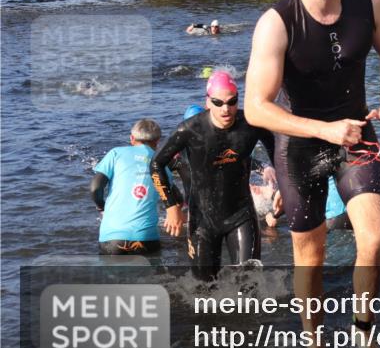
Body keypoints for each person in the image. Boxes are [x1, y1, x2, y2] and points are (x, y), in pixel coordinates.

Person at [245, 0, 380, 348]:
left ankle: (364, 336)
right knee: (309, 260)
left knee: (374, 241)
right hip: (299, 145)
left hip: (355, 134)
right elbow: (256, 105)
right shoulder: (276, 23)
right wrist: (324, 130)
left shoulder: (368, 1)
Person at [150, 71, 278, 281]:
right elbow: (156, 164)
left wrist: (285, 187)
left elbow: (279, 156)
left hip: (241, 214)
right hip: (202, 220)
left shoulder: (252, 124)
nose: (226, 109)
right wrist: (171, 206)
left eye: (232, 102)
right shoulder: (190, 129)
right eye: (218, 103)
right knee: (203, 288)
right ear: (208, 102)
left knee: (250, 283)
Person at [90, 118, 174, 255]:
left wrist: (101, 206)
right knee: (153, 276)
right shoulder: (161, 163)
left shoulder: (115, 153)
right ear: (158, 141)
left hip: (112, 238)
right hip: (146, 239)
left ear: (132, 138)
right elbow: (173, 197)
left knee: (113, 275)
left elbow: (95, 187)